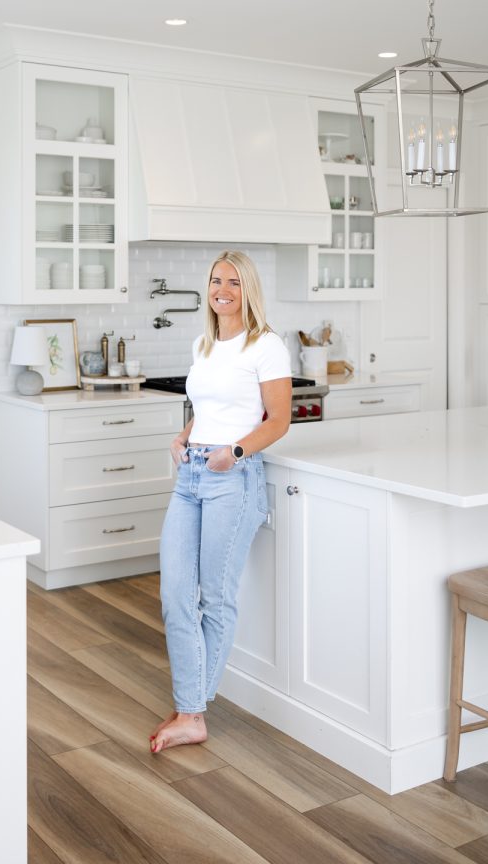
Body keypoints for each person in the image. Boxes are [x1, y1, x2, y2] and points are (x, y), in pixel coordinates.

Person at [150, 250, 292, 753]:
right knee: (174, 596)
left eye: (233, 281)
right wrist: (184, 434)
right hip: (191, 474)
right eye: (215, 280)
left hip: (233, 477)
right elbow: (210, 406)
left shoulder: (266, 345)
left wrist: (232, 452)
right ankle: (192, 703)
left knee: (216, 597)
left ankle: (192, 711)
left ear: (247, 289)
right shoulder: (205, 343)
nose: (222, 288)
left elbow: (278, 419)